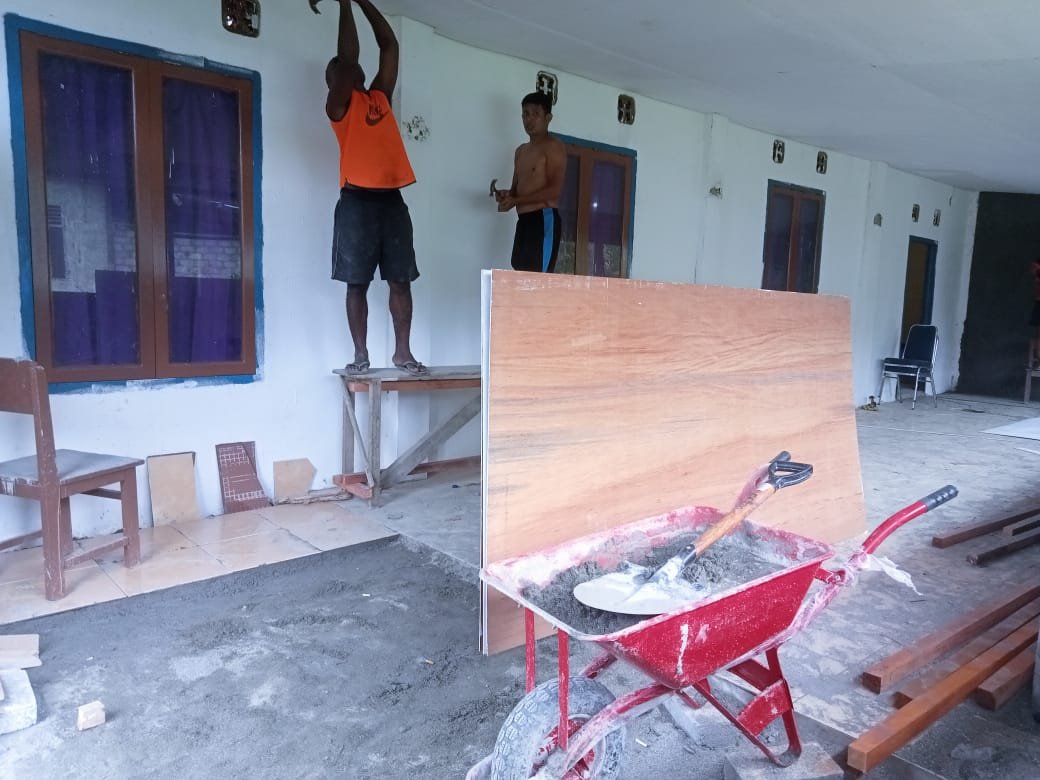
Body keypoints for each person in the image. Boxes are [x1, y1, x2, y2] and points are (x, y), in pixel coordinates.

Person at [313, 0, 427, 376]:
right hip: (356, 203)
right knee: (356, 283)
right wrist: (344, 3)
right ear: (335, 83)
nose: (347, 70)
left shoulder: (380, 98)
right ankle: (361, 355)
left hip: (392, 201)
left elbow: (389, 45)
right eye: (339, 72)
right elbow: (347, 60)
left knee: (401, 280)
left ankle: (402, 353)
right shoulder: (338, 108)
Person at [493, 92, 567, 273]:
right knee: (519, 272)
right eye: (525, 114)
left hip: (544, 219)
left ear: (548, 118)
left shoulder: (554, 146)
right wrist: (507, 196)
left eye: (535, 114)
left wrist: (516, 200)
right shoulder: (520, 151)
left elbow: (554, 191)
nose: (529, 119)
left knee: (538, 277)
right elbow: (516, 191)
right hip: (523, 221)